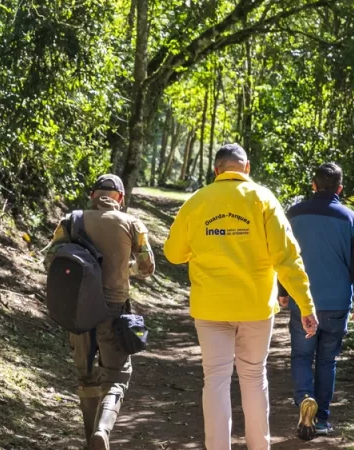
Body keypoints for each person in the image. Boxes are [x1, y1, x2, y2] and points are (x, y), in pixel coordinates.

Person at [164, 143, 319, 450]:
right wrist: (306, 304)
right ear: (246, 169)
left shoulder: (197, 201)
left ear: (216, 171)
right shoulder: (263, 199)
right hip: (255, 308)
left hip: (210, 307)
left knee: (216, 381)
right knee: (253, 378)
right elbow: (287, 258)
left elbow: (173, 253)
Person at [43, 174, 155, 450]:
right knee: (117, 376)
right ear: (121, 198)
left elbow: (50, 260)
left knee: (86, 378)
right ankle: (102, 431)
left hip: (77, 311)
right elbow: (147, 268)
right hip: (113, 311)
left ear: (93, 195)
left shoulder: (71, 220)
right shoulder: (132, 224)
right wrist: (124, 270)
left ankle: (89, 439)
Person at [278, 162, 354, 438]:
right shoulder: (351, 219)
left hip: (302, 300)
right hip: (336, 304)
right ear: (340, 189)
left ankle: (304, 400)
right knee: (327, 360)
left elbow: (283, 256)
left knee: (301, 355)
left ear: (313, 185)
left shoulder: (293, 214)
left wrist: (282, 291)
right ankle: (321, 419)